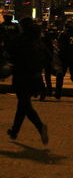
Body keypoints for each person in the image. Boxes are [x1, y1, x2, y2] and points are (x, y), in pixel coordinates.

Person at [5, 17, 49, 145]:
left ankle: (40, 126)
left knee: (25, 104)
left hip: (21, 76)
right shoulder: (38, 41)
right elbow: (48, 56)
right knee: (23, 103)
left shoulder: (18, 40)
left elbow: (8, 54)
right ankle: (14, 131)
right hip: (35, 78)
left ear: (22, 27)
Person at [40, 25, 59, 98]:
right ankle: (49, 89)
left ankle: (46, 89)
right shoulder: (55, 38)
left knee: (44, 75)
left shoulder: (45, 38)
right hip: (49, 58)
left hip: (45, 58)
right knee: (47, 75)